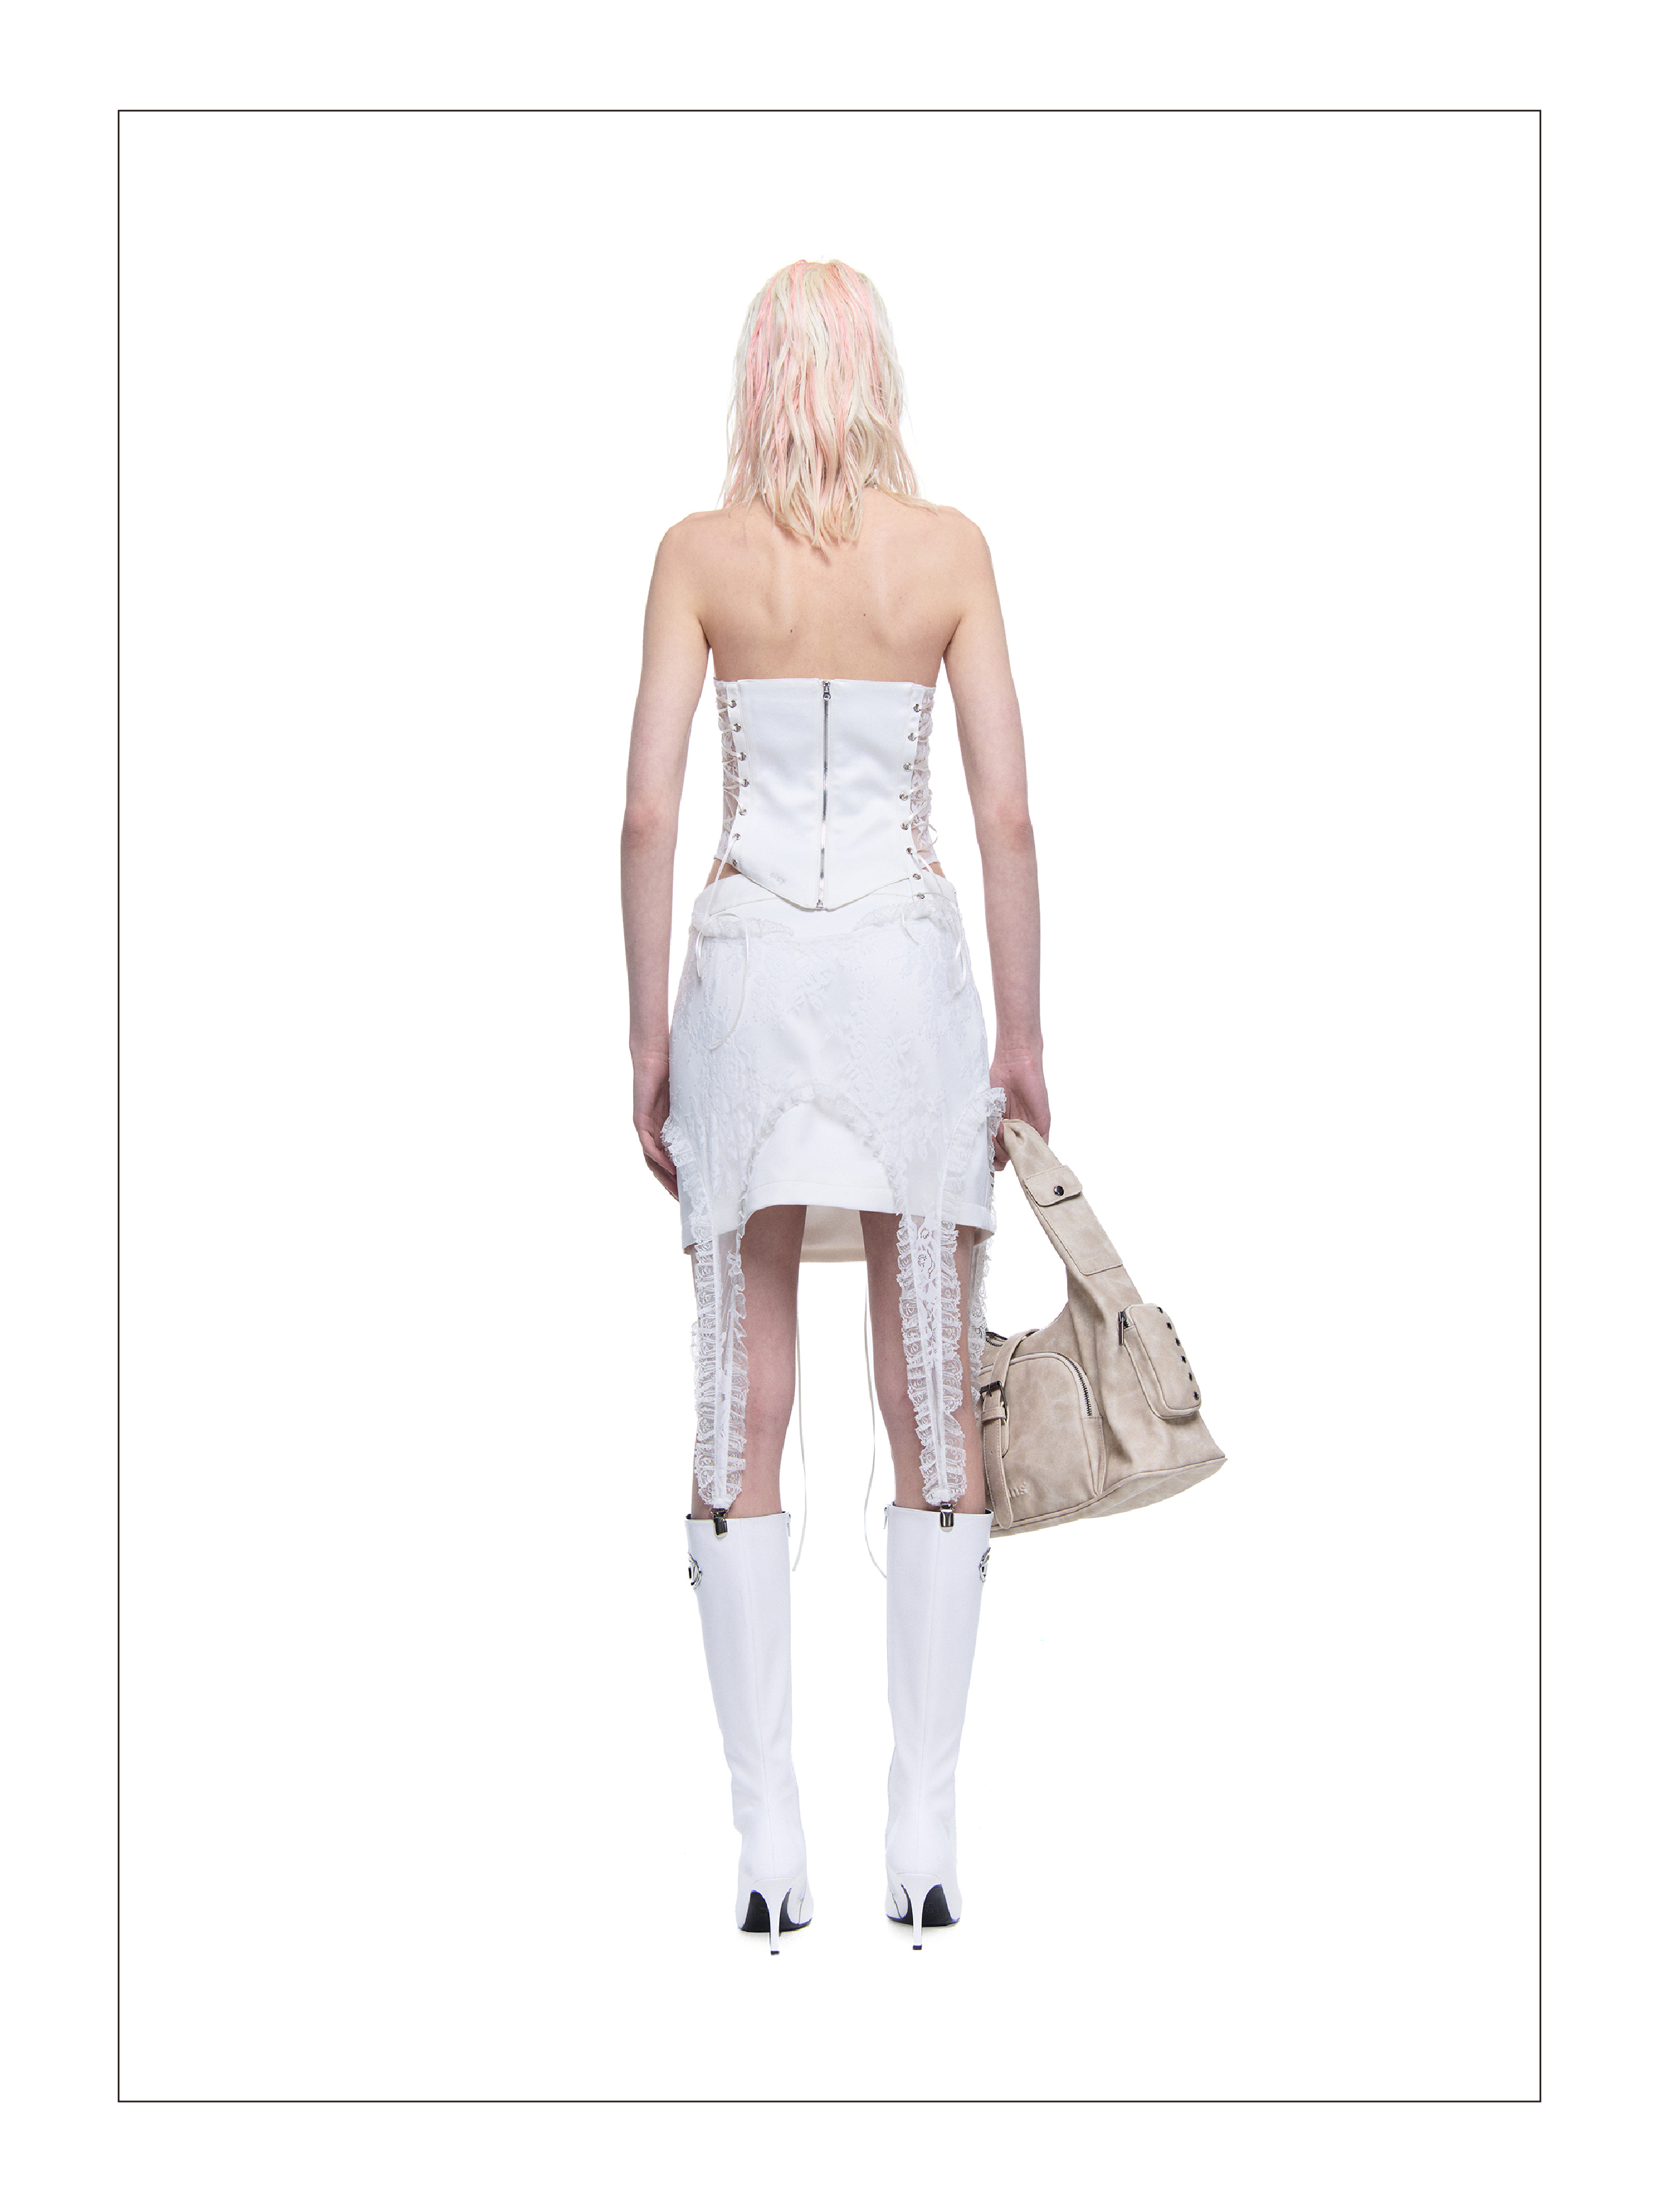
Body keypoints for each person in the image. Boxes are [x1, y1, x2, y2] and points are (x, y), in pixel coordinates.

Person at [620, 258, 1048, 1953]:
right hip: (901, 979)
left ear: (758, 377)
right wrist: (1026, 1032)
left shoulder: (695, 557)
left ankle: (764, 1845)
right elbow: (1002, 817)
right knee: (928, 1385)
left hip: (742, 978)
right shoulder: (945, 553)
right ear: (874, 376)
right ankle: (922, 1835)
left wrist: (642, 1035)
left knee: (742, 1390)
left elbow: (645, 814)